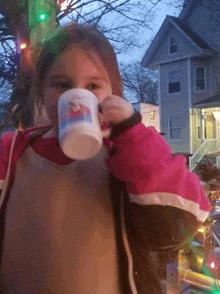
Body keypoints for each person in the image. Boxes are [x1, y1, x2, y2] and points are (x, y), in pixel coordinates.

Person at [0, 22, 211, 294]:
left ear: (113, 92)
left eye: (93, 86)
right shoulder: (13, 153)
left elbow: (179, 223)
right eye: (61, 85)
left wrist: (131, 133)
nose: (76, 98)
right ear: (41, 91)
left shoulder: (128, 153)